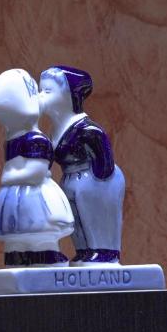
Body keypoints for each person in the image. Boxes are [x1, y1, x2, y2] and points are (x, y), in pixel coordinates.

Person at [0, 69, 74, 266]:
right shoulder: (12, 139)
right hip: (14, 195)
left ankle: (46, 255)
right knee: (15, 232)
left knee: (40, 229)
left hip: (36, 195)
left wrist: (11, 176)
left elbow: (36, 172)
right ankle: (16, 255)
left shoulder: (36, 140)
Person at [39, 66, 125, 264]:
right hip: (71, 178)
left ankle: (104, 252)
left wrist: (98, 182)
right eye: (40, 90)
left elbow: (104, 157)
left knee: (94, 217)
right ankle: (84, 251)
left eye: (48, 91)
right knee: (76, 219)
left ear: (69, 96)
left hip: (94, 179)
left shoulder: (86, 129)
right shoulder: (55, 130)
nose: (41, 96)